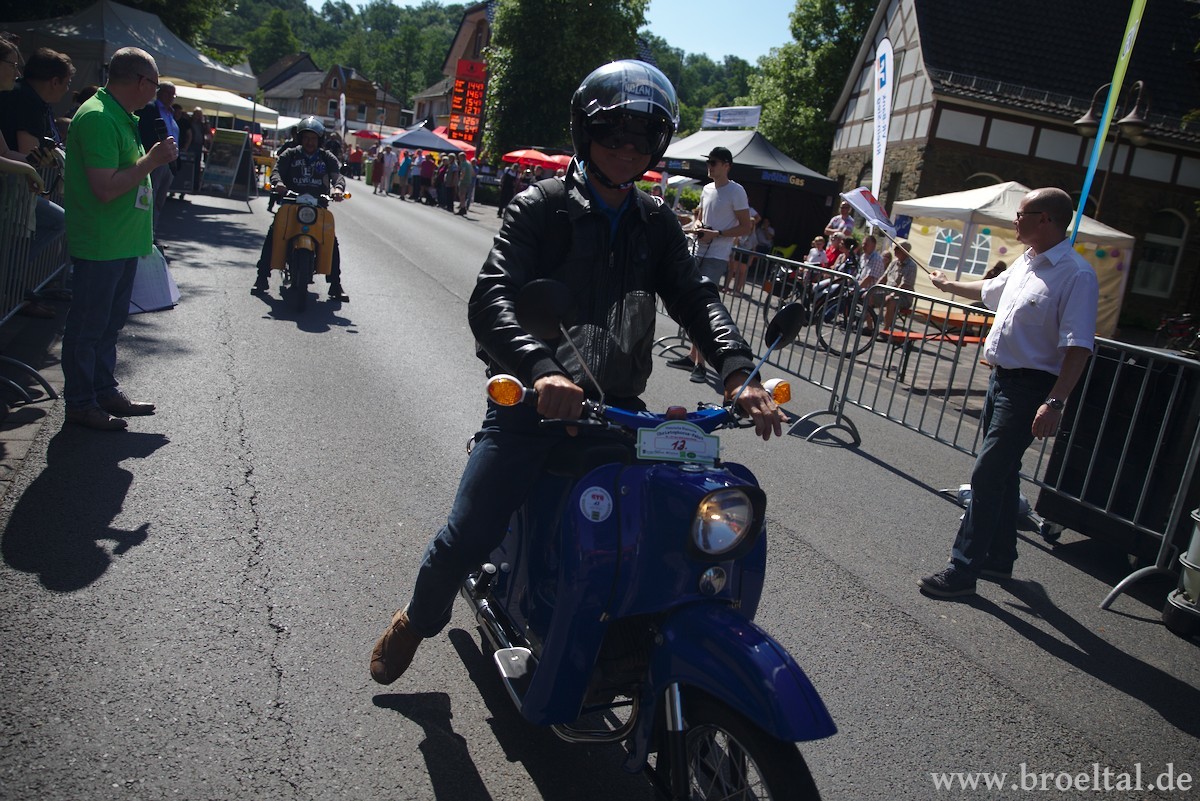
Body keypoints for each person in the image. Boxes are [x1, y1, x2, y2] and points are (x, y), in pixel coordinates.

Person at [369, 60, 785, 685]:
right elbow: (492, 298)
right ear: (586, 133)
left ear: (657, 146)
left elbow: (696, 298)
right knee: (470, 529)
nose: (626, 148)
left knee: (667, 522)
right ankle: (417, 619)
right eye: (613, 133)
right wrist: (540, 370)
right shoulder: (541, 207)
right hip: (531, 403)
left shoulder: (655, 223)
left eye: (641, 137)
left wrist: (738, 373)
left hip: (617, 410)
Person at [918, 188, 1098, 597]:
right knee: (1002, 472)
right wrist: (948, 284)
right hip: (1002, 380)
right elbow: (990, 290)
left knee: (987, 475)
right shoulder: (1026, 261)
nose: (1014, 220)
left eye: (1021, 214)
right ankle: (999, 558)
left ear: (1045, 219)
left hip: (1031, 388)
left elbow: (1079, 347)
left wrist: (1055, 401)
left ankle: (962, 570)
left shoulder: (1076, 274)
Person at [61, 46, 177, 431]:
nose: (157, 92)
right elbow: (106, 188)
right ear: (141, 81)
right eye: (155, 84)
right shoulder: (98, 116)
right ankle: (81, 403)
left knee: (108, 326)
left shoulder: (119, 114)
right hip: (101, 243)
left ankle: (102, 390)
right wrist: (152, 161)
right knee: (88, 328)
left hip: (120, 242)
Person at [665, 145, 752, 383]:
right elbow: (700, 217)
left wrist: (718, 233)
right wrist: (697, 226)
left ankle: (700, 363)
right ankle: (693, 357)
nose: (709, 166)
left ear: (726, 165)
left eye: (713, 162)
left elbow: (746, 227)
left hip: (717, 255)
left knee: (704, 306)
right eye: (708, 162)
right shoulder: (706, 188)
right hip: (698, 250)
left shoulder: (736, 191)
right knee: (691, 303)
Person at [251, 116, 348, 300]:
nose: (310, 142)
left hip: (318, 205)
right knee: (273, 233)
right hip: (291, 203)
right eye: (306, 138)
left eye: (313, 138)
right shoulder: (290, 154)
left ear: (319, 140)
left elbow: (337, 176)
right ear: (300, 138)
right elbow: (277, 171)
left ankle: (335, 284)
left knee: (331, 240)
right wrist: (278, 184)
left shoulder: (327, 157)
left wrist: (338, 189)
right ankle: (262, 277)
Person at [0, 43, 70, 264]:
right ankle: (11, 276)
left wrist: (34, 163)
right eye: (12, 64)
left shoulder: (24, 96)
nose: (17, 73)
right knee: (57, 221)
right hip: (10, 192)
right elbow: (20, 153)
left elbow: (5, 152)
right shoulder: (27, 99)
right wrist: (31, 168)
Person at [136, 80, 178, 243]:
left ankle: (152, 235)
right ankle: (143, 235)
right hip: (155, 159)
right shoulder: (150, 109)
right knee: (147, 198)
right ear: (160, 92)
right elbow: (145, 132)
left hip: (169, 162)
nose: (171, 97)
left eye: (173, 95)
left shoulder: (171, 113)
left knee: (159, 201)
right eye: (168, 93)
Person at [880, 239, 918, 331]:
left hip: (903, 297)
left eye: (897, 248)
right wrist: (873, 288)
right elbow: (884, 277)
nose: (894, 250)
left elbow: (905, 284)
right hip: (888, 292)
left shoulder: (911, 266)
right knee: (869, 296)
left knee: (892, 301)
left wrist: (892, 294)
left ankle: (885, 330)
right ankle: (868, 326)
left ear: (904, 251)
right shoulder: (894, 262)